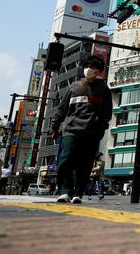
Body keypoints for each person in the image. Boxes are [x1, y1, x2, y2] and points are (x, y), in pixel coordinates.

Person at [50, 55, 113, 204]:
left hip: (91, 132)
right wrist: (55, 125)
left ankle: (78, 192)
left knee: (84, 164)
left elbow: (107, 113)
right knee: (66, 160)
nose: (89, 70)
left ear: (99, 72)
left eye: (93, 68)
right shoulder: (74, 86)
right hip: (71, 130)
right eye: (88, 66)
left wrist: (100, 129)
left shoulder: (103, 89)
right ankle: (64, 191)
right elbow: (62, 108)